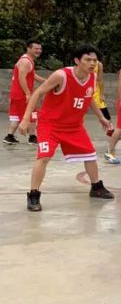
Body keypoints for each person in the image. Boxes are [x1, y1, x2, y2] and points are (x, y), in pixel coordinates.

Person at [18, 44, 115, 211]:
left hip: (74, 126)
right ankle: (33, 195)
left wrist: (101, 117)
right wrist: (26, 118)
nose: (92, 63)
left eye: (95, 60)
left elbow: (89, 97)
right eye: (88, 60)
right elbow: (37, 93)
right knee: (43, 157)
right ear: (77, 60)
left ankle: (96, 187)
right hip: (50, 125)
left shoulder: (92, 77)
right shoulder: (61, 75)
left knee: (90, 155)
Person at [5, 40, 45, 145]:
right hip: (22, 94)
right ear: (29, 49)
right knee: (33, 114)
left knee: (17, 116)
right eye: (36, 48)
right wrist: (27, 93)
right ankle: (32, 137)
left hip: (17, 94)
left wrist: (46, 81)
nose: (39, 51)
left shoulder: (28, 60)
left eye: (40, 49)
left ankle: (9, 137)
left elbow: (32, 75)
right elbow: (21, 78)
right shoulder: (25, 61)